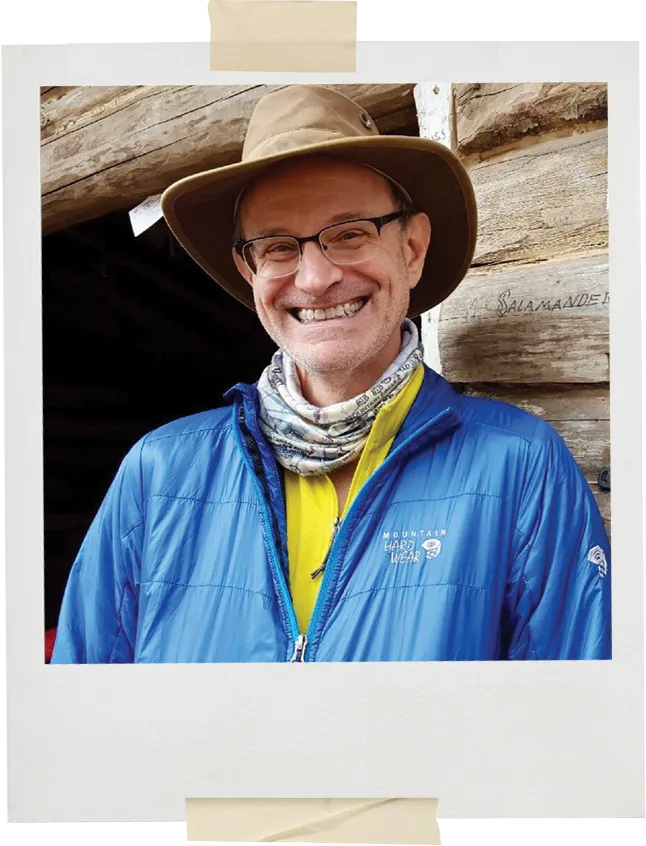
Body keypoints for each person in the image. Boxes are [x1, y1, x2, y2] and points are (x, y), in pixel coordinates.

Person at [51, 85, 611, 664]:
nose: (315, 279)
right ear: (249, 269)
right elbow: (78, 718)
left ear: (412, 248)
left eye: (349, 234)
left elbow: (570, 728)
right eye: (277, 246)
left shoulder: (519, 468)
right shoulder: (157, 473)